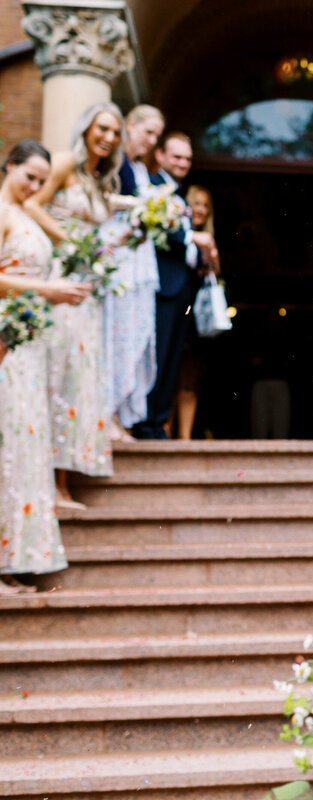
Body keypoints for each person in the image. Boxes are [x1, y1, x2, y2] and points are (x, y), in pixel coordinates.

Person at [0, 139, 92, 592]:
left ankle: (12, 558)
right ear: (9, 167)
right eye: (29, 177)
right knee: (7, 445)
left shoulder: (24, 215)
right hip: (6, 343)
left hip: (30, 345)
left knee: (23, 448)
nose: (35, 186)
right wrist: (47, 292)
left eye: (42, 180)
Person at [25, 102, 122, 505]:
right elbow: (31, 204)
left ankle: (62, 480)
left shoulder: (101, 180)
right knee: (56, 375)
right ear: (86, 128)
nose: (108, 137)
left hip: (87, 292)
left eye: (115, 133)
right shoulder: (63, 163)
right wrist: (74, 242)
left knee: (77, 380)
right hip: (60, 282)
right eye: (102, 128)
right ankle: (47, 481)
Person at [131, 132, 211, 439]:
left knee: (171, 355)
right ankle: (146, 421)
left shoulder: (179, 195)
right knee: (157, 353)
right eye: (177, 157)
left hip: (181, 288)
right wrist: (192, 238)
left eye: (188, 158)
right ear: (161, 155)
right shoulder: (151, 187)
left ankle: (157, 421)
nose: (183, 163)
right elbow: (155, 227)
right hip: (161, 287)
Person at [104, 104, 165, 441]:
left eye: (157, 136)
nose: (152, 141)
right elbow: (100, 200)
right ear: (130, 125)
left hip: (140, 257)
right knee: (117, 333)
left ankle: (124, 416)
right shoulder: (114, 164)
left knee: (138, 336)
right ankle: (110, 414)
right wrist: (140, 207)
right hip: (117, 255)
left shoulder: (141, 170)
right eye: (148, 132)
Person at [172, 184, 221, 439]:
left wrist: (210, 255)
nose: (200, 210)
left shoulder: (209, 241)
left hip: (196, 319)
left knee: (190, 379)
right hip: (174, 311)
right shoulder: (176, 237)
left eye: (205, 205)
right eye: (196, 204)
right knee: (168, 372)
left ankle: (185, 437)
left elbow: (216, 276)